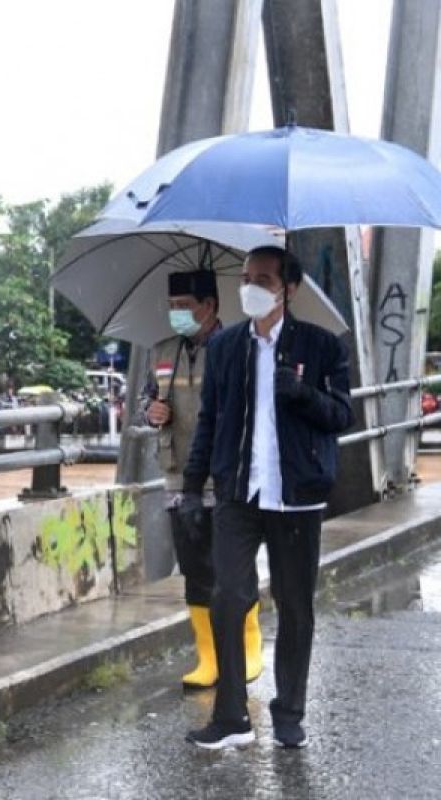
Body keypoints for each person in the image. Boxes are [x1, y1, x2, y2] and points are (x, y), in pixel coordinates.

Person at [183, 246, 352, 750]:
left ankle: (289, 712)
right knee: (228, 597)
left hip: (296, 496)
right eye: (246, 277)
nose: (250, 287)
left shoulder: (323, 347)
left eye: (263, 279)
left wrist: (302, 394)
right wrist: (193, 487)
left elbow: (343, 416)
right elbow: (210, 419)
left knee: (295, 606)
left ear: (289, 289)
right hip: (239, 491)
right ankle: (232, 716)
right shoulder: (227, 346)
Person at [141, 270, 262, 691]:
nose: (176, 315)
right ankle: (208, 657)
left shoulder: (239, 347)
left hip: (226, 475)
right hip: (178, 477)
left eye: (184, 307)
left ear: (209, 306)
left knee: (231, 567)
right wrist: (151, 412)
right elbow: (145, 400)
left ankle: (248, 647)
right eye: (172, 307)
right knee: (195, 567)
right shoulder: (162, 352)